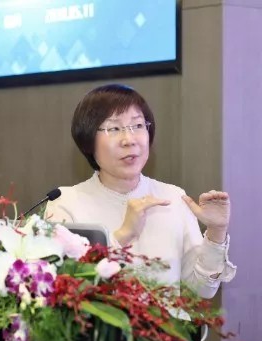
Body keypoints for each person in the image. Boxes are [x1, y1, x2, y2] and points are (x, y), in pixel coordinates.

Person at [45, 84, 236, 299]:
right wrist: (123, 234)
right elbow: (65, 292)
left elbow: (202, 290)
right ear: (88, 140)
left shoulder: (172, 197)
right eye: (114, 129)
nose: (129, 139)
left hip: (167, 322)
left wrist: (216, 233)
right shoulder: (65, 204)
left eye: (137, 125)